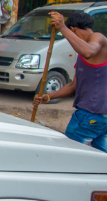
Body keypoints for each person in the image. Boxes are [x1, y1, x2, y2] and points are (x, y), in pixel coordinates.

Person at [33, 11, 107, 152]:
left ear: (72, 29)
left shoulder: (97, 37)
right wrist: (48, 97)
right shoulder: (82, 54)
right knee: (101, 157)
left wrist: (62, 28)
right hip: (98, 117)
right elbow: (73, 85)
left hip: (90, 115)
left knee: (70, 153)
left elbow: (89, 51)